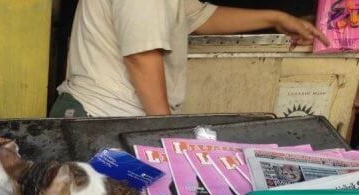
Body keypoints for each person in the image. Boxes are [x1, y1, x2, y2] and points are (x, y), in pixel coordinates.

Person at [50, 1, 330, 118]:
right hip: (102, 116)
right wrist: (166, 133)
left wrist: (275, 17)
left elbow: (197, 17)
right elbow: (141, 55)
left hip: (118, 115)